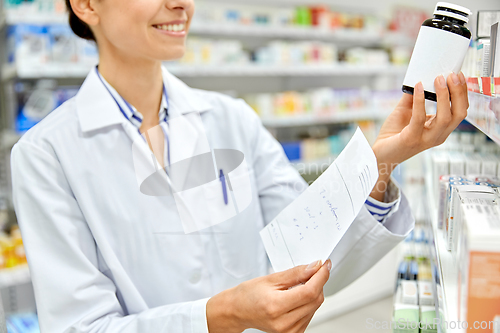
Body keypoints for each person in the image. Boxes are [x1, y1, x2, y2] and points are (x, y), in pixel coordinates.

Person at [10, 0, 469, 332]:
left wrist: (381, 162)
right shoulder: (45, 155)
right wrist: (220, 315)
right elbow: (80, 327)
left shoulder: (232, 119)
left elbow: (307, 255)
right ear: (87, 5)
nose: (179, 4)